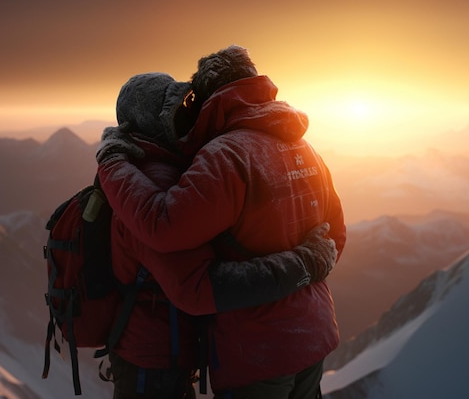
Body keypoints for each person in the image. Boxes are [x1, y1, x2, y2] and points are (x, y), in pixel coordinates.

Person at [96, 46, 347, 399]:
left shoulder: (225, 157)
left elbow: (166, 227)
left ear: (210, 98)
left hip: (256, 349)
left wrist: (111, 162)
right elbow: (335, 238)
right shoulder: (306, 149)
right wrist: (304, 266)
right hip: (314, 337)